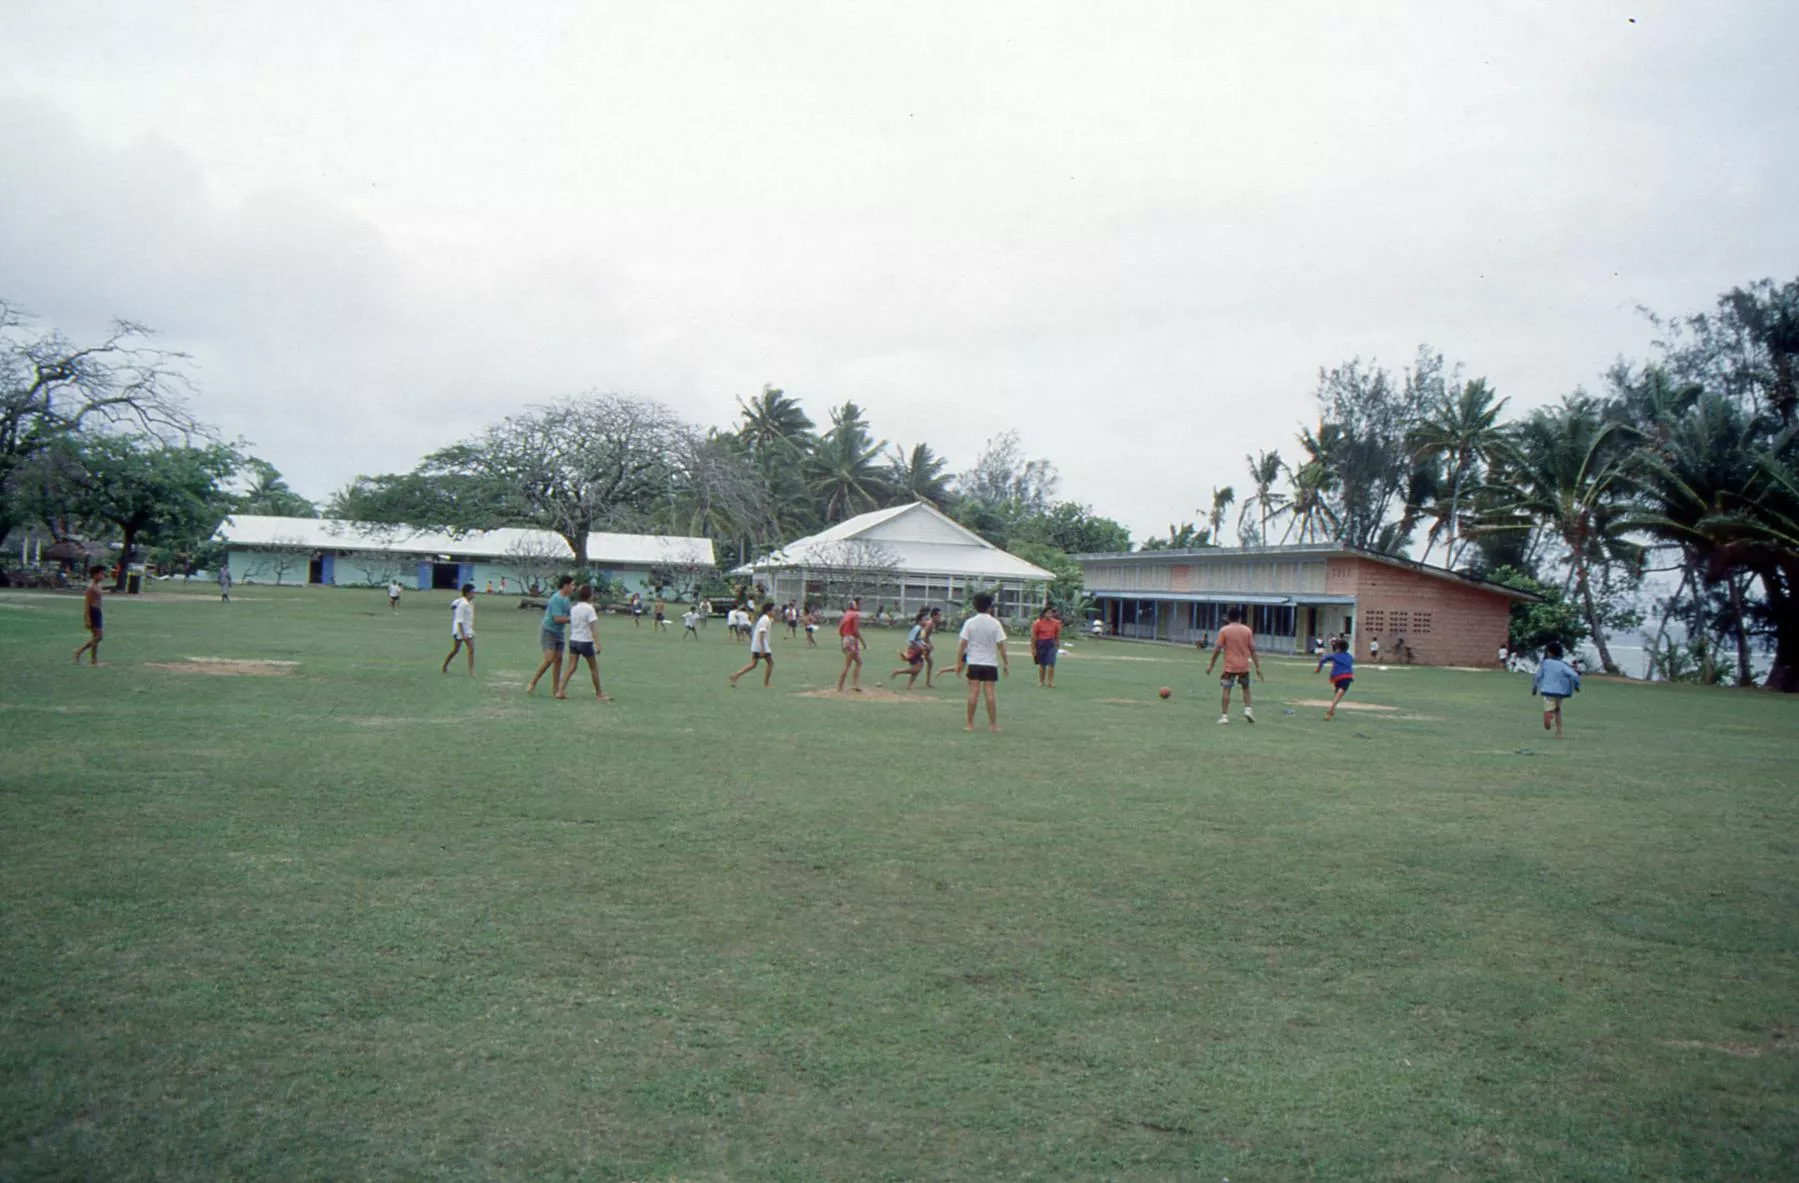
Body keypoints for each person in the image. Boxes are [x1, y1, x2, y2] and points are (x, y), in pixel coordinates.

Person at [956, 591, 1009, 732]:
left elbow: (962, 644)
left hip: (974, 662)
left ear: (975, 606)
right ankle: (993, 725)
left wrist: (958, 663)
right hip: (990, 663)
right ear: (990, 606)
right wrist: (1006, 663)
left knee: (973, 692)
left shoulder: (970, 622)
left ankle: (969, 724)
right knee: (990, 693)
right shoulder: (995, 623)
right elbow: (1001, 645)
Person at [1205, 605, 1262, 724]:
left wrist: (1211, 664)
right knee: (1246, 688)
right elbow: (1252, 650)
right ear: (1240, 618)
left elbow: (1217, 648)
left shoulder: (1224, 630)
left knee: (1226, 689)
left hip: (1229, 666)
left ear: (1229, 618)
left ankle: (1224, 716)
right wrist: (1257, 667)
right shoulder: (1247, 630)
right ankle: (1248, 709)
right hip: (1243, 666)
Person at [526, 575, 574, 696]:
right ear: (566, 585)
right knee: (549, 659)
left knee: (558, 660)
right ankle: (532, 682)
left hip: (559, 632)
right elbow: (557, 618)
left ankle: (556, 690)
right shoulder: (556, 599)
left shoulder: (566, 599)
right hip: (548, 630)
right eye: (572, 585)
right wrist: (573, 620)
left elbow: (570, 613)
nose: (573, 588)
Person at [560, 584, 607, 700]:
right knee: (594, 668)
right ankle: (599, 694)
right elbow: (593, 628)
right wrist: (597, 644)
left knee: (571, 666)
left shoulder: (574, 608)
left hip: (573, 640)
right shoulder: (590, 609)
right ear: (590, 596)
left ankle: (560, 690)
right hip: (585, 642)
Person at [1531, 640, 1581, 739]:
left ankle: (1548, 714)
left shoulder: (1545, 663)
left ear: (1549, 652)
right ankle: (1559, 732)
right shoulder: (1563, 665)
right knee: (1558, 710)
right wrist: (1576, 685)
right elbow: (1574, 675)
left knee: (1549, 706)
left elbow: (1538, 676)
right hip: (1560, 692)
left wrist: (1534, 687)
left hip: (1547, 690)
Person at [728, 602, 777, 687]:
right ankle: (766, 683)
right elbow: (761, 634)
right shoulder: (765, 619)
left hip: (758, 645)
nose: (774, 612)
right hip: (761, 646)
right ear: (768, 611)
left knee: (753, 664)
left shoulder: (766, 619)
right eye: (773, 610)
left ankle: (735, 676)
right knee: (770, 663)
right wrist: (762, 648)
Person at [888, 609, 932, 689]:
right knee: (917, 668)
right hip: (914, 651)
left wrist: (925, 645)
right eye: (925, 619)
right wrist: (920, 647)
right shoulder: (917, 628)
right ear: (919, 621)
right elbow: (911, 640)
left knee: (918, 668)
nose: (927, 621)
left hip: (919, 651)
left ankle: (909, 685)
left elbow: (919, 640)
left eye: (927, 619)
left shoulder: (921, 629)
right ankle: (898, 671)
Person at [71, 565, 106, 666]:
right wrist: (87, 619)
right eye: (101, 574)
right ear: (95, 575)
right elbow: (87, 604)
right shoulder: (91, 588)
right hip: (93, 612)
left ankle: (93, 660)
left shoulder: (98, 586)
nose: (102, 576)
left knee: (97, 637)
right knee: (98, 636)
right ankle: (79, 652)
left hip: (98, 612)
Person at [1315, 636, 1354, 720]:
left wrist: (1318, 669)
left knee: (1337, 693)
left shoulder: (1334, 655)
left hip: (1336, 677)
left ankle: (1332, 709)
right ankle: (1331, 709)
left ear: (1338, 648)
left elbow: (1322, 659)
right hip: (1347, 676)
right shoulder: (1350, 657)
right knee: (1340, 692)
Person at [442, 583, 477, 676]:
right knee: (455, 650)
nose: (474, 594)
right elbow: (459, 620)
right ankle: (445, 665)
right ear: (468, 593)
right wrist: (463, 634)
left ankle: (471, 670)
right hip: (460, 630)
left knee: (471, 649)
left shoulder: (469, 602)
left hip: (468, 629)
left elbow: (454, 604)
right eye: (473, 592)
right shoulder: (463, 604)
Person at [836, 597, 865, 692]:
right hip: (851, 640)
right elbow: (856, 631)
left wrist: (844, 639)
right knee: (847, 665)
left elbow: (840, 629)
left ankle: (855, 684)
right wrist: (863, 642)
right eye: (860, 604)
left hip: (846, 639)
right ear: (855, 605)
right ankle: (840, 686)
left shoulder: (847, 614)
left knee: (859, 662)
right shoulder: (855, 615)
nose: (861, 606)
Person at [1030, 606, 1063, 688]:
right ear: (1044, 614)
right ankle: (1041, 682)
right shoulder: (1037, 623)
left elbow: (1057, 635)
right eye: (1048, 613)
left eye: (1051, 613)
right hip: (1041, 644)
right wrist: (1033, 648)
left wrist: (1057, 643)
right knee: (1042, 664)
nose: (1050, 615)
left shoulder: (1056, 623)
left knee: (1051, 663)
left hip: (1051, 643)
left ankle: (1050, 682)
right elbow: (1033, 637)